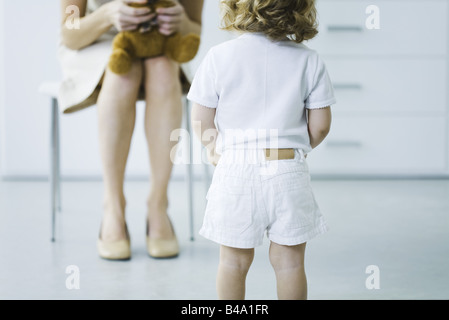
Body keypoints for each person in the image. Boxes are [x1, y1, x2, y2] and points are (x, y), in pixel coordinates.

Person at [188, 0, 336, 300]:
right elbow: (320, 126)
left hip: (235, 171)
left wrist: (215, 150)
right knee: (290, 264)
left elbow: (201, 121)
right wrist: (299, 149)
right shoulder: (310, 61)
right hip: (287, 171)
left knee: (233, 262)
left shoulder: (218, 57)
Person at [58, 0, 204, 260]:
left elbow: (194, 29)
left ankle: (158, 204)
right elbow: (70, 35)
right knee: (122, 75)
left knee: (162, 68)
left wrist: (180, 22)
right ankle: (113, 206)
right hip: (97, 41)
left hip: (163, 43)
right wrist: (106, 15)